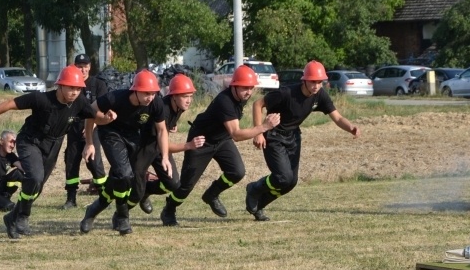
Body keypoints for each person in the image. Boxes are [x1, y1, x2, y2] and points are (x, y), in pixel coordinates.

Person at [0, 65, 116, 239]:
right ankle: (23, 216)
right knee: (35, 177)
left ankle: (12, 218)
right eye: (71, 88)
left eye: (78, 88)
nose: (75, 92)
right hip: (30, 141)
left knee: (37, 187)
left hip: (53, 145)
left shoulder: (80, 102)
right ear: (60, 85)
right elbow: (9, 104)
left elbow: (94, 116)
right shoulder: (41, 99)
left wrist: (106, 119)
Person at [159, 65, 281, 227]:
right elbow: (236, 135)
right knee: (186, 186)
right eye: (245, 88)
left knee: (237, 172)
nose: (249, 92)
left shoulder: (239, 97)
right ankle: (169, 209)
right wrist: (263, 127)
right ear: (235, 86)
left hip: (221, 139)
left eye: (251, 88)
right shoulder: (225, 101)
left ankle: (212, 194)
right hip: (201, 140)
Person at [244, 60, 360, 221]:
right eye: (313, 82)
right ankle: (254, 188)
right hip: (274, 136)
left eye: (320, 82)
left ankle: (259, 206)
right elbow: (258, 104)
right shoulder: (286, 93)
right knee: (283, 177)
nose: (316, 86)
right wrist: (258, 132)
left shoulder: (320, 95)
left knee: (291, 182)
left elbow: (338, 117)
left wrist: (351, 128)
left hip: (293, 137)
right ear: (304, 80)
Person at [79, 69, 170, 235]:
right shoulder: (115, 98)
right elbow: (89, 113)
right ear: (135, 90)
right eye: (146, 93)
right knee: (125, 175)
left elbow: (162, 130)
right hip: (111, 133)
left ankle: (93, 210)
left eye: (153, 93)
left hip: (133, 136)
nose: (150, 97)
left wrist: (165, 156)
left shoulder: (155, 103)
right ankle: (122, 217)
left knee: (120, 178)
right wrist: (90, 143)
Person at [129, 74, 205, 216]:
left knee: (173, 184)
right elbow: (163, 143)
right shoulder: (163, 109)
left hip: (157, 148)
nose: (189, 100)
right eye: (184, 96)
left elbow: (165, 132)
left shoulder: (179, 106)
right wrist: (188, 145)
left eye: (190, 96)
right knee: (135, 192)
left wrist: (172, 125)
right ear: (173, 96)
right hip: (144, 148)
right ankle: (122, 214)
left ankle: (147, 190)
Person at [61, 53, 108, 209]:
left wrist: (92, 126)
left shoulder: (98, 85)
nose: (83, 70)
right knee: (71, 161)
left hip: (93, 128)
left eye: (85, 66)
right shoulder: (69, 84)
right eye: (79, 66)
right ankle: (71, 198)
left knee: (94, 163)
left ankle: (104, 197)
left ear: (90, 67)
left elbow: (101, 109)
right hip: (74, 128)